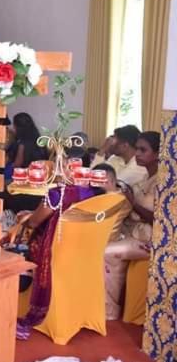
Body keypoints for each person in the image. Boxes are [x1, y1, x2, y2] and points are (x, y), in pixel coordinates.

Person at [14, 164, 121, 339]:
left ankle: (27, 298)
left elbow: (34, 223)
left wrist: (25, 219)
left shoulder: (57, 194)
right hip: (89, 252)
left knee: (20, 239)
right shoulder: (103, 194)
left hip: (59, 252)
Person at [104, 131, 160, 320]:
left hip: (148, 240)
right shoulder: (145, 178)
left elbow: (159, 220)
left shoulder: (162, 183)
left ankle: (110, 310)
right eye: (137, 149)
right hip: (131, 232)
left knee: (107, 252)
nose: (137, 154)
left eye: (143, 150)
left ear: (157, 154)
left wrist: (133, 202)